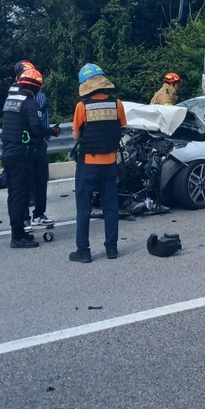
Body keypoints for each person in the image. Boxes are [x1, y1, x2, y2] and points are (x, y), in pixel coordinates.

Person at [70, 63, 127, 263]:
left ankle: (83, 251)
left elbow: (76, 136)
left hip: (88, 163)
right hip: (110, 162)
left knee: (84, 208)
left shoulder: (82, 106)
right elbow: (121, 127)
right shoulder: (117, 103)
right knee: (111, 206)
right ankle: (112, 248)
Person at [0, 67, 48, 249]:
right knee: (21, 195)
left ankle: (16, 231)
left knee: (13, 195)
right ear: (36, 87)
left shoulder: (10, 101)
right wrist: (51, 131)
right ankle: (18, 236)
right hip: (21, 155)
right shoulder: (30, 103)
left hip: (7, 153)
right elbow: (36, 128)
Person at [13, 61, 61, 228]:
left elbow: (42, 119)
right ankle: (26, 217)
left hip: (37, 142)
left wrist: (45, 137)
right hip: (24, 144)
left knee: (40, 180)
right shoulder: (14, 94)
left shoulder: (38, 97)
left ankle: (38, 214)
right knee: (24, 183)